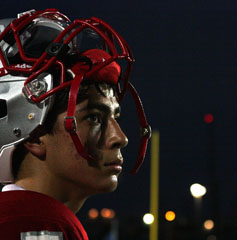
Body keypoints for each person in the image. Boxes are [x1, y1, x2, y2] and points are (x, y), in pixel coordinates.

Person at [0, 9, 151, 239]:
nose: (120, 137)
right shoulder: (40, 222)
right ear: (33, 134)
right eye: (93, 118)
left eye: (115, 117)